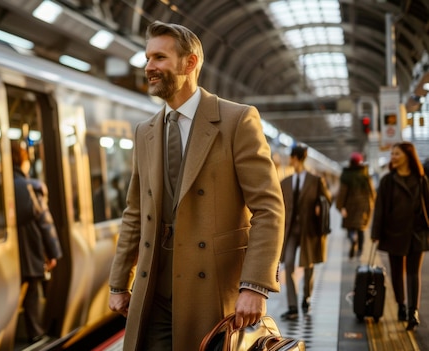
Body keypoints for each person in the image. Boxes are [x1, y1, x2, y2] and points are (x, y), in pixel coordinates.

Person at [107, 21, 285, 350]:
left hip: (212, 289)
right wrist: (119, 283)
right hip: (155, 289)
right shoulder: (145, 131)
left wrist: (255, 285)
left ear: (190, 63)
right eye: (147, 58)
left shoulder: (237, 120)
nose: (149, 67)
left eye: (159, 58)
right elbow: (135, 211)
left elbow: (268, 208)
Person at [371, 141, 429, 331]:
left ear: (407, 156)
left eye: (397, 154)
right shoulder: (388, 180)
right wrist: (375, 233)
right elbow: (379, 209)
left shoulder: (421, 179)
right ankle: (401, 305)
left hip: (417, 232)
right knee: (397, 272)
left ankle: (413, 311)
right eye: (392, 154)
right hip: (394, 232)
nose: (393, 157)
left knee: (413, 273)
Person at [11, 141, 63, 343]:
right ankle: (35, 332)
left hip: (12, 249)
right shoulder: (30, 187)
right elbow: (45, 223)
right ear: (21, 160)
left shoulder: (1, 185)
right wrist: (53, 254)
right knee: (32, 290)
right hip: (31, 246)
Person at [279, 145, 332, 320]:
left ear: (296, 158)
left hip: (309, 230)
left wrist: (319, 204)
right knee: (288, 263)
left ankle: (306, 297)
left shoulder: (315, 180)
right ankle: (292, 306)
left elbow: (328, 199)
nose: (289, 160)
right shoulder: (285, 182)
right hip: (291, 231)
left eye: (291, 157)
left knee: (308, 265)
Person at [336, 152, 375, 259]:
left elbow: (342, 193)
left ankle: (353, 238)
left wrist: (340, 207)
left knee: (350, 228)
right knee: (361, 229)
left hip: (350, 207)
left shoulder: (346, 175)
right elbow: (372, 192)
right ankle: (360, 250)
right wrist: (372, 203)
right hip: (363, 206)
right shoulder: (365, 174)